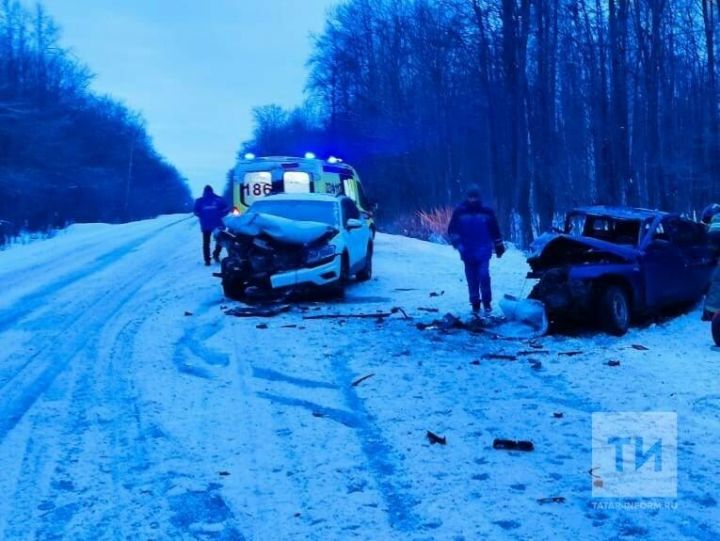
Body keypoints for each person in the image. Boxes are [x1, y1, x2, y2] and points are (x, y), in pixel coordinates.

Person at [447, 185, 505, 314]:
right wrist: (458, 244)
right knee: (472, 278)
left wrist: (499, 244)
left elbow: (494, 229)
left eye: (475, 197)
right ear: (467, 197)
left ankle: (487, 303)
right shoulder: (460, 212)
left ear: (479, 197)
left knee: (484, 275)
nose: (473, 199)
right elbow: (452, 230)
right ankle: (475, 304)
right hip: (467, 250)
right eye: (470, 197)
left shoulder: (487, 212)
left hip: (483, 249)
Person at [193, 185, 230, 266]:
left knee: (206, 243)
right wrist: (220, 214)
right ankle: (216, 254)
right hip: (217, 224)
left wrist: (202, 215)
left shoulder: (199, 201)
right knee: (220, 240)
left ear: (204, 191)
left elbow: (195, 211)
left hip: (205, 225)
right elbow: (227, 209)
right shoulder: (219, 199)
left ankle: (207, 260)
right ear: (212, 191)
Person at [702, 204, 720, 321]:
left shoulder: (716, 221)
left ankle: (710, 313)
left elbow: (714, 239)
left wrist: (710, 256)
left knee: (717, 280)